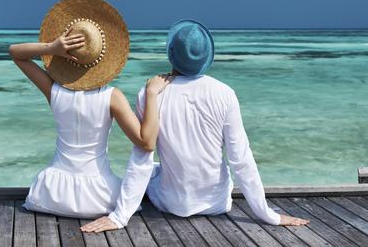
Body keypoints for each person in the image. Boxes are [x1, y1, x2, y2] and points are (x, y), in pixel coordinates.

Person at [81, 19, 310, 233]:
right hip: (218, 203)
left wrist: (119, 217)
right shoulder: (225, 93)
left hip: (172, 204)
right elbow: (241, 160)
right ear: (206, 57)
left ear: (171, 55)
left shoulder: (149, 94)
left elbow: (141, 159)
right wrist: (269, 215)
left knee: (152, 169)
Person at [9, 0, 173, 222]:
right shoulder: (112, 97)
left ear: (68, 59)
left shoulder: (54, 91)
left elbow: (16, 53)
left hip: (50, 195)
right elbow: (146, 142)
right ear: (104, 58)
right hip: (100, 198)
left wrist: (52, 48)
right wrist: (152, 95)